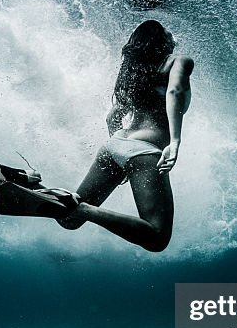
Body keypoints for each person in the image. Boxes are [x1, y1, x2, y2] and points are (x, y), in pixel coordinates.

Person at [47, 20, 193, 252]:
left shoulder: (134, 71)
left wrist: (122, 156)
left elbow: (111, 118)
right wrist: (174, 142)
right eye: (167, 31)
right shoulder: (179, 61)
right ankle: (83, 208)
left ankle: (35, 187)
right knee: (157, 238)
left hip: (116, 144)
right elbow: (174, 91)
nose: (172, 34)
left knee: (69, 220)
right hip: (143, 150)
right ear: (162, 41)